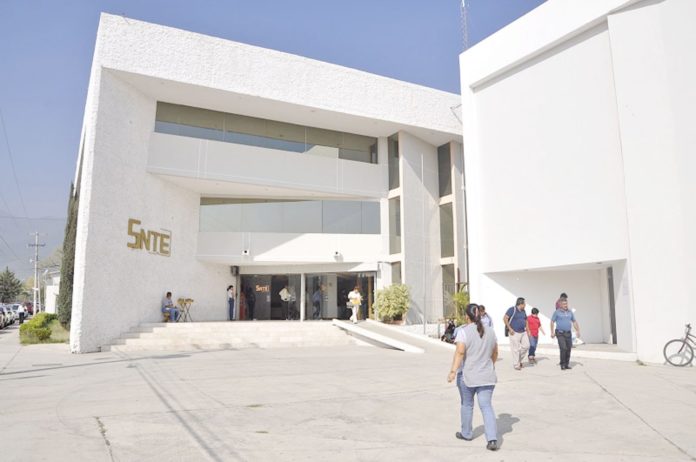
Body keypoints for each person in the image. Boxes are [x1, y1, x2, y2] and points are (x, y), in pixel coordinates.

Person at [447, 303, 499, 452]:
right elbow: (495, 352)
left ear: (466, 316)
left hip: (468, 376)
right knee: (486, 406)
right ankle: (492, 439)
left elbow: (460, 353)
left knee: (467, 404)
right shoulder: (491, 331)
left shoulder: (463, 332)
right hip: (487, 375)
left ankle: (467, 433)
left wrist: (453, 371)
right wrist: (490, 365)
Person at [550, 299, 581, 370]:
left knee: (568, 349)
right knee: (563, 348)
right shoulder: (557, 312)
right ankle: (562, 364)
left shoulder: (570, 312)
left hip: (568, 333)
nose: (566, 305)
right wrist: (552, 332)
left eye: (566, 304)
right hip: (560, 333)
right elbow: (552, 321)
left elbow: (574, 321)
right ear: (560, 305)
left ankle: (566, 364)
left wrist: (578, 330)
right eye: (564, 304)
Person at [503, 297, 529, 370]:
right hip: (514, 332)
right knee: (515, 349)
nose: (525, 305)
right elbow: (505, 318)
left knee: (526, 346)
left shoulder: (523, 311)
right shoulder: (512, 309)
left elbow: (526, 320)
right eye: (524, 304)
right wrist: (510, 328)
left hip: (523, 331)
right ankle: (516, 364)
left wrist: (528, 329)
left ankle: (518, 360)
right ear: (520, 304)